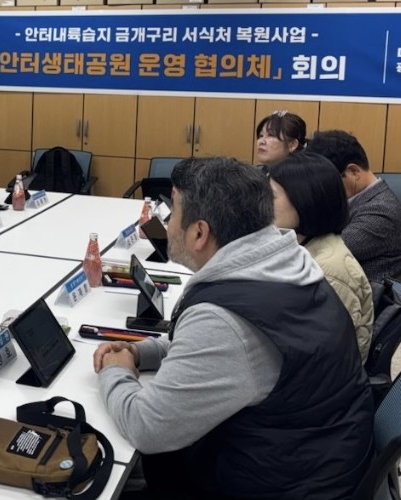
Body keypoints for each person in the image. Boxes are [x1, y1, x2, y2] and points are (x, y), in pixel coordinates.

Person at [93, 157, 373, 499]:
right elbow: (225, 354)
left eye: (173, 213)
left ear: (199, 233)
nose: (167, 225)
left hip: (284, 485)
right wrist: (141, 352)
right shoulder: (287, 264)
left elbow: (146, 427)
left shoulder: (224, 319)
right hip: (319, 459)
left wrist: (115, 370)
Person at [268, 151, 373, 361]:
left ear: (304, 201)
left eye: (272, 196)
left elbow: (328, 354)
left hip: (323, 377)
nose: (264, 204)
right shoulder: (304, 246)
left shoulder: (329, 270)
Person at [307, 130, 401, 282]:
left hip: (365, 292)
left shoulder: (381, 211)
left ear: (353, 172)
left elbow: (325, 255)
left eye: (327, 182)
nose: (322, 188)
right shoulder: (352, 199)